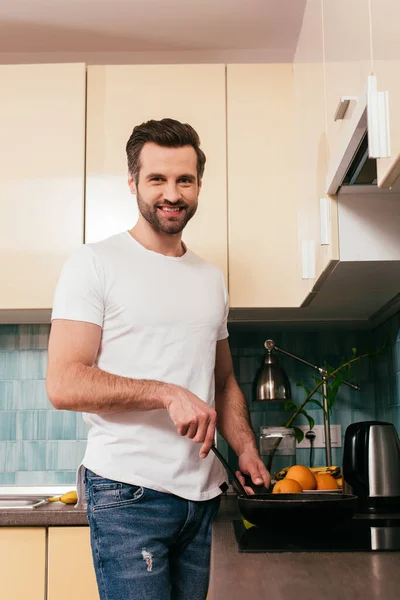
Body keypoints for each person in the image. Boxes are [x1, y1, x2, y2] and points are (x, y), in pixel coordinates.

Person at [46, 118, 270, 600]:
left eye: (184, 180)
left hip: (201, 495)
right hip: (129, 495)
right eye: (158, 179)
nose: (172, 193)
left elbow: (225, 378)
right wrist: (166, 392)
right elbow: (64, 382)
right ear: (133, 183)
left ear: (198, 185)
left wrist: (245, 447)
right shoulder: (93, 263)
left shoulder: (210, 278)